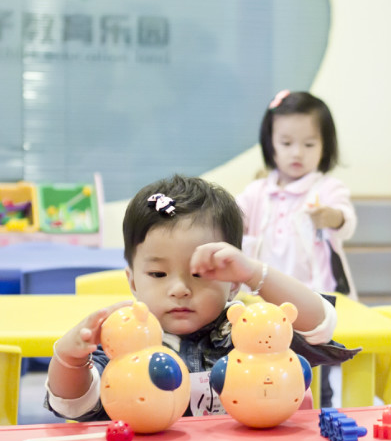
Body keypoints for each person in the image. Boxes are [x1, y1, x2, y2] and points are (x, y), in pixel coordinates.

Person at [45, 174, 357, 422]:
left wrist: (255, 273)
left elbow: (319, 327)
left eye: (198, 273)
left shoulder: (249, 331)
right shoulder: (126, 340)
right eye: (158, 274)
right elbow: (74, 403)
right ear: (133, 281)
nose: (179, 289)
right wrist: (69, 359)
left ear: (233, 283)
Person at [237, 90, 357, 407]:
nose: (297, 153)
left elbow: (346, 219)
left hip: (313, 302)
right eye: (287, 143)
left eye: (309, 144)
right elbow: (233, 217)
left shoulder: (326, 188)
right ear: (270, 144)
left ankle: (321, 412)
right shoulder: (258, 191)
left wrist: (331, 216)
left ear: (325, 146)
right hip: (264, 301)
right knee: (266, 364)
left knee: (316, 374)